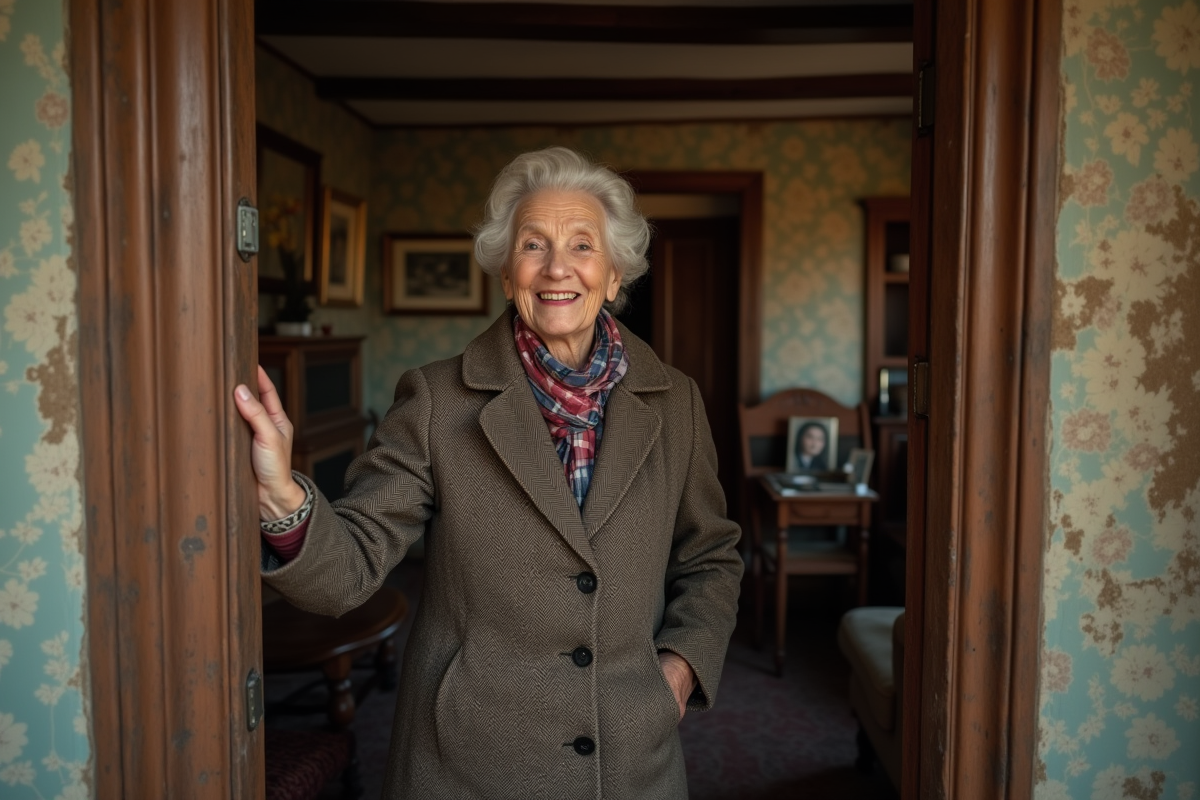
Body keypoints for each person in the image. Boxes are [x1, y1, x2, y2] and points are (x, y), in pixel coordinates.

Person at [233, 147, 743, 799]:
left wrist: (679, 669)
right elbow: (350, 569)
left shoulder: (677, 403)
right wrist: (281, 495)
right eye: (534, 245)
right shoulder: (438, 400)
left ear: (615, 275)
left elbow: (712, 555)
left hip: (631, 762)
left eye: (582, 245)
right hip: (469, 761)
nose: (558, 267)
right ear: (507, 274)